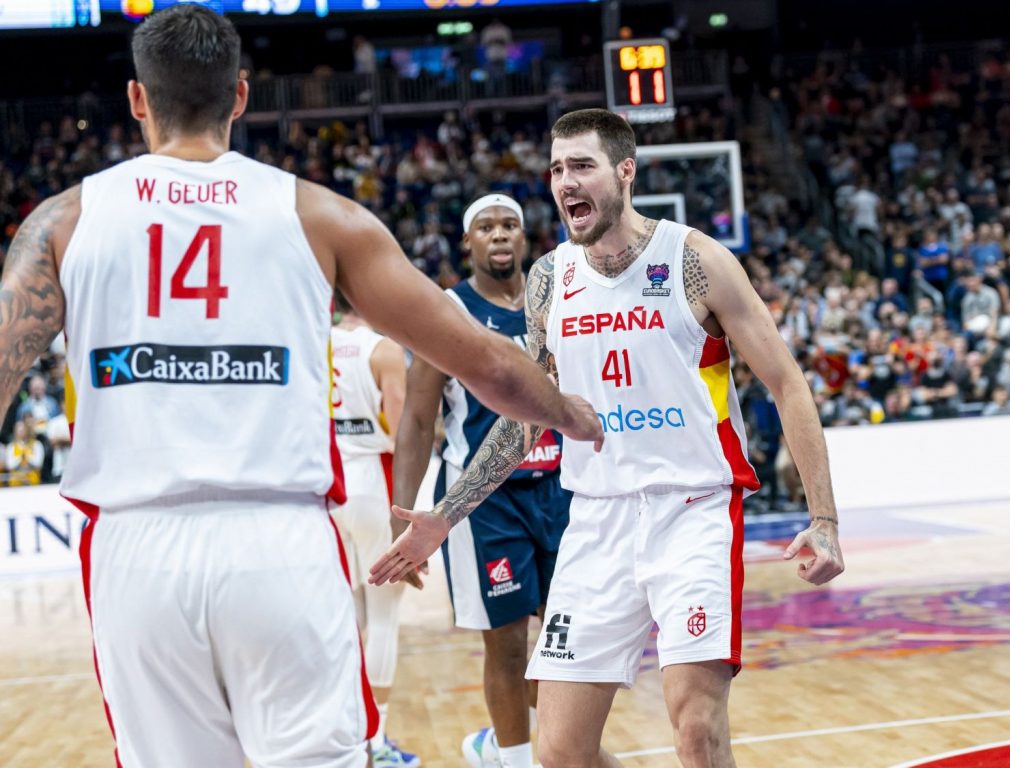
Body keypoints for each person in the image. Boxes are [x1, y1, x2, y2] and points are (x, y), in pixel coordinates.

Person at [0, 8, 601, 768]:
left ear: (137, 100)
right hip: (277, 543)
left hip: (134, 552)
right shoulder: (321, 215)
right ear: (242, 97)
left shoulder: (63, 220)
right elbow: (482, 361)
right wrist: (571, 413)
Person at [372, 108, 845, 768]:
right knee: (561, 752)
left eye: (582, 166)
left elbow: (788, 384)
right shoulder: (550, 278)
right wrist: (443, 517)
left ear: (625, 172)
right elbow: (525, 415)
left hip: (694, 511)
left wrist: (823, 519)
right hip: (595, 519)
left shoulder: (695, 261)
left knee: (697, 728)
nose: (565, 181)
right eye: (557, 169)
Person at [392, 193, 572, 768]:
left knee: (564, 641)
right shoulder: (447, 311)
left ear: (525, 238)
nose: (500, 235)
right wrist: (404, 517)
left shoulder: (557, 301)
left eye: (510, 225)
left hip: (563, 492)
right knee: (508, 639)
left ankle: (523, 747)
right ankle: (516, 760)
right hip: (484, 503)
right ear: (466, 242)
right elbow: (419, 417)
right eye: (486, 227)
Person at [330, 300, 419, 768]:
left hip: (327, 484)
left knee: (347, 616)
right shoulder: (382, 349)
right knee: (383, 616)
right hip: (372, 478)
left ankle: (345, 733)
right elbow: (404, 429)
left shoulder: (316, 342)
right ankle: (377, 740)